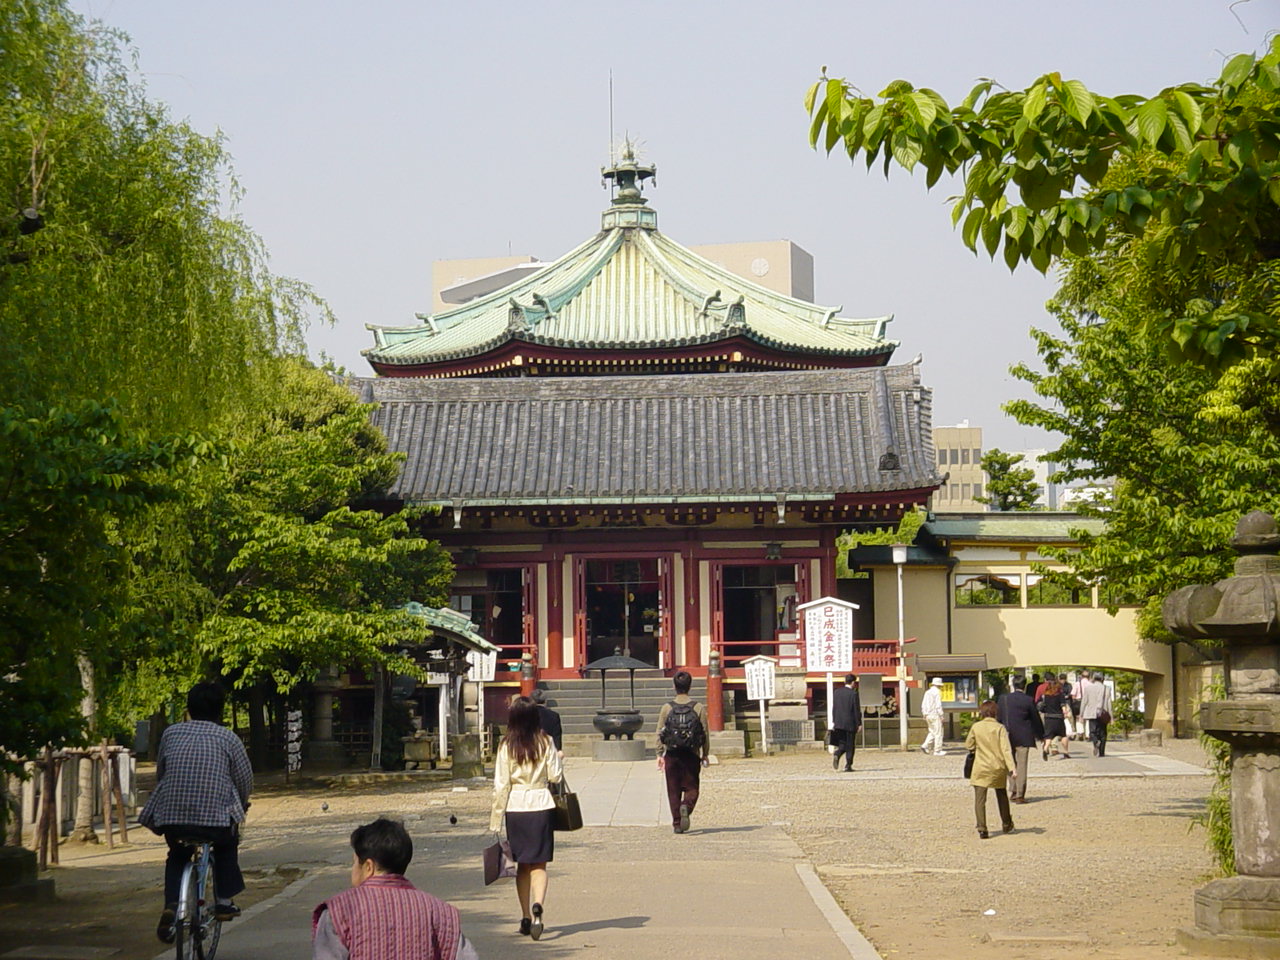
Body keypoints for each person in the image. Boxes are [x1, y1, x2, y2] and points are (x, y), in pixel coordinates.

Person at [140, 681, 252, 944]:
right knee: (226, 845)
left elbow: (162, 773)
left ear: (188, 709)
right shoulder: (228, 738)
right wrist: (242, 803)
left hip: (172, 817)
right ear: (220, 711)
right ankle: (224, 901)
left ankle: (171, 904)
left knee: (177, 855)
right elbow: (244, 779)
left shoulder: (171, 734)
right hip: (215, 821)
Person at [312, 818, 478, 960]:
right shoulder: (439, 913)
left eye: (354, 863)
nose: (353, 869)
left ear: (368, 866)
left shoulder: (339, 911)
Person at [490, 695, 562, 939]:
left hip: (516, 806)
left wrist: (495, 819)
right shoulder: (546, 741)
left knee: (522, 864)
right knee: (539, 863)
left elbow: (501, 785)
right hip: (541, 803)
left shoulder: (506, 745)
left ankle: (524, 916)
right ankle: (538, 907)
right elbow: (556, 777)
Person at [656, 670, 709, 834]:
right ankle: (686, 806)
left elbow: (659, 731)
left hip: (672, 754)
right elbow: (705, 732)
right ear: (690, 686)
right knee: (692, 788)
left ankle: (677, 824)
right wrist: (705, 753)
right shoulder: (698, 707)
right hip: (691, 754)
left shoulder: (667, 708)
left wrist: (659, 754)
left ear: (674, 686)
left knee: (673, 790)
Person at [964, 699, 1016, 839]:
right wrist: (1012, 768)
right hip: (997, 766)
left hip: (981, 766)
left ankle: (982, 828)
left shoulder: (976, 727)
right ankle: (1006, 823)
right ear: (995, 713)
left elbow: (969, 744)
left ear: (982, 712)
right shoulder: (999, 728)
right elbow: (1006, 750)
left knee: (980, 799)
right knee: (1001, 795)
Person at [996, 678, 1044, 804]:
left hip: (1007, 734)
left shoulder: (1003, 699)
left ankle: (1013, 789)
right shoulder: (1028, 700)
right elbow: (1035, 719)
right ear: (1024, 686)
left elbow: (999, 717)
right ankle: (1020, 793)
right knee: (1022, 765)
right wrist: (1041, 735)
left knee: (1009, 763)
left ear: (1012, 684)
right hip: (1024, 735)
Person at [830, 674, 862, 772]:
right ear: (853, 682)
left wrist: (834, 721)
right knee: (850, 745)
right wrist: (859, 723)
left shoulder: (837, 692)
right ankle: (848, 765)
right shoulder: (853, 694)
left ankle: (837, 753)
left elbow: (834, 708)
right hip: (850, 723)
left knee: (842, 743)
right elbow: (856, 710)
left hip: (839, 722)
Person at [1079, 671, 1113, 756]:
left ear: (1093, 679)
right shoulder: (1107, 689)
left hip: (1091, 713)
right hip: (1103, 713)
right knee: (1103, 733)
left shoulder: (1088, 688)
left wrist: (1081, 714)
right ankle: (1102, 752)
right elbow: (1109, 704)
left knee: (1092, 731)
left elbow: (1084, 702)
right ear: (1102, 679)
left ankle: (1095, 741)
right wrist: (1111, 717)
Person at [1037, 676, 1072, 760]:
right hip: (1058, 718)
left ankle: (1045, 749)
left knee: (1048, 736)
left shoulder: (1046, 695)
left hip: (1048, 718)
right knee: (1063, 735)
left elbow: (1042, 705)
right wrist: (1065, 713)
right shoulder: (1060, 695)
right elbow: (1063, 706)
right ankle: (1066, 752)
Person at [531, 687, 563, 755]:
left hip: (530, 747)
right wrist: (558, 749)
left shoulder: (526, 714)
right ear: (545, 701)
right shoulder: (554, 715)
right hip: (548, 748)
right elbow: (557, 735)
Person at [920, 677, 946, 756]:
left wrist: (924, 713)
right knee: (938, 732)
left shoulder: (927, 692)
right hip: (935, 714)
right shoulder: (937, 692)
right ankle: (937, 750)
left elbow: (923, 704)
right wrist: (941, 715)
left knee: (932, 731)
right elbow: (938, 705)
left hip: (927, 714)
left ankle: (925, 745)